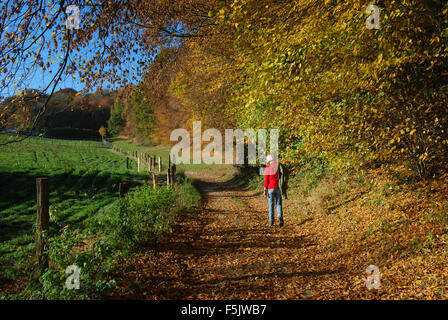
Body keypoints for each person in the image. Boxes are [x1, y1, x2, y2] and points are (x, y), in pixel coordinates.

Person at [263, 154, 286, 227]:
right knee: (279, 204)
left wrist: (265, 190)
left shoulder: (267, 168)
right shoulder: (278, 167)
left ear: (269, 160)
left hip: (270, 188)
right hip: (278, 188)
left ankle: (271, 222)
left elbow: (266, 180)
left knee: (271, 205)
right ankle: (280, 216)